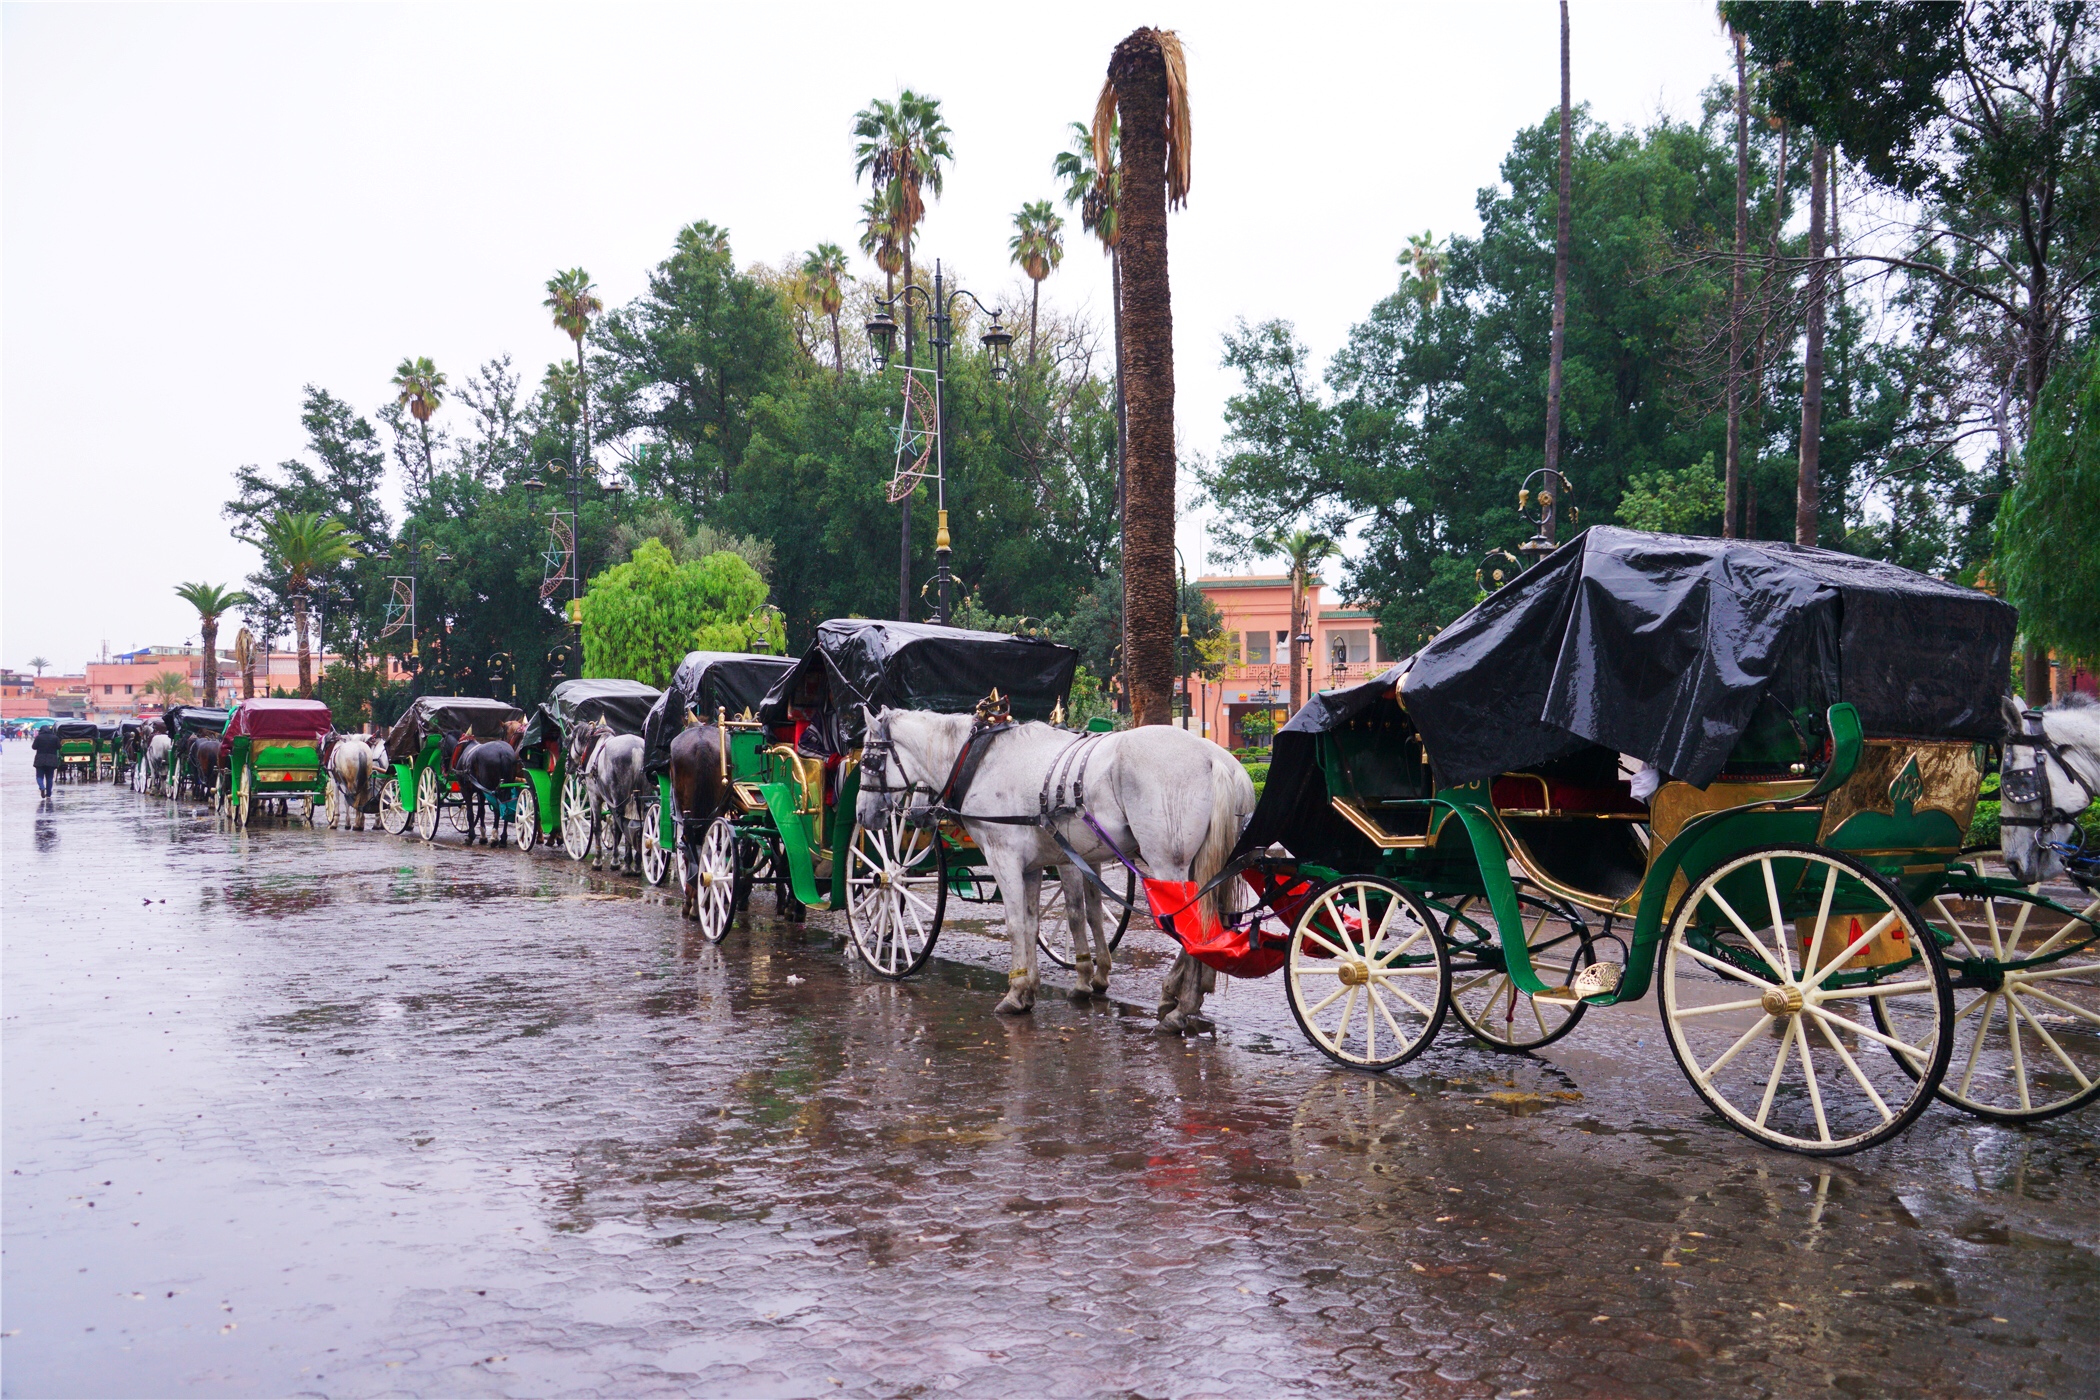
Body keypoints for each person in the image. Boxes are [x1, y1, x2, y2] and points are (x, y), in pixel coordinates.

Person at [31, 724, 61, 797]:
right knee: (49, 778)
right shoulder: (55, 738)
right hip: (51, 759)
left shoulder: (38, 737)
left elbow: (34, 747)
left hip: (40, 759)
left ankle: (42, 787)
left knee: (39, 776)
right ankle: (48, 794)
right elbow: (59, 747)